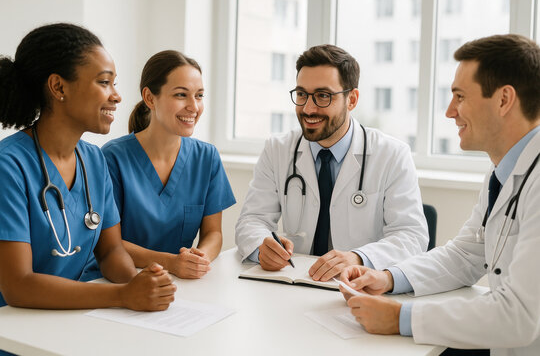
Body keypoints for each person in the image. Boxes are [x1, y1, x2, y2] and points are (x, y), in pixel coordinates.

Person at [340, 34, 540, 356]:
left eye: (459, 97)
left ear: (504, 100)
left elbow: (519, 315)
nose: (450, 112)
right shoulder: (503, 171)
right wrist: (388, 277)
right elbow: (465, 255)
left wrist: (399, 317)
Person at [0, 23, 176, 314]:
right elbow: (18, 285)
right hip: (16, 327)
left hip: (74, 314)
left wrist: (140, 282)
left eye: (114, 84)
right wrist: (123, 295)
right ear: (58, 87)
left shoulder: (93, 160)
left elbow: (110, 251)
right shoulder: (10, 166)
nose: (117, 96)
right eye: (104, 82)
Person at [235, 44, 428, 281]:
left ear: (352, 99)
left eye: (323, 96)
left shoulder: (392, 155)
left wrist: (358, 257)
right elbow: (252, 220)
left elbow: (411, 235)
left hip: (358, 288)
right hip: (291, 284)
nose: (308, 108)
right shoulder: (277, 150)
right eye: (302, 94)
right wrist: (261, 247)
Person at [98, 50, 235, 279]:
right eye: (181, 95)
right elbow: (107, 243)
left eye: (199, 95)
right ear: (150, 98)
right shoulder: (113, 158)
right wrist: (171, 263)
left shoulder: (207, 157)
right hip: (124, 280)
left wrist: (199, 259)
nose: (194, 106)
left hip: (182, 283)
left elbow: (213, 234)